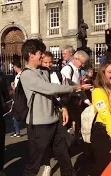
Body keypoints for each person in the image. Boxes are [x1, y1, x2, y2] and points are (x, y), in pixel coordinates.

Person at [20, 39, 89, 176]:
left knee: (63, 152)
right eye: (40, 53)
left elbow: (53, 97)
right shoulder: (27, 74)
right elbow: (49, 89)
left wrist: (63, 108)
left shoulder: (44, 71)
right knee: (35, 162)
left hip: (54, 119)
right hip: (39, 124)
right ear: (31, 54)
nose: (42, 56)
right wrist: (74, 87)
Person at [60, 50, 92, 143]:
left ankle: (72, 140)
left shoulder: (77, 70)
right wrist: (81, 88)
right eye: (82, 63)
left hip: (74, 101)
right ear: (76, 58)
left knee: (77, 121)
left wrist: (87, 101)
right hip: (67, 101)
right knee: (70, 123)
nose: (83, 65)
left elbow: (79, 89)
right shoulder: (67, 69)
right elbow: (65, 87)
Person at [10, 61, 23, 137]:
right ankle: (17, 131)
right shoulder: (21, 75)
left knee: (15, 115)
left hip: (18, 98)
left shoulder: (19, 76)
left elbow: (18, 89)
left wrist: (12, 87)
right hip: (19, 98)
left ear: (15, 67)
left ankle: (17, 131)